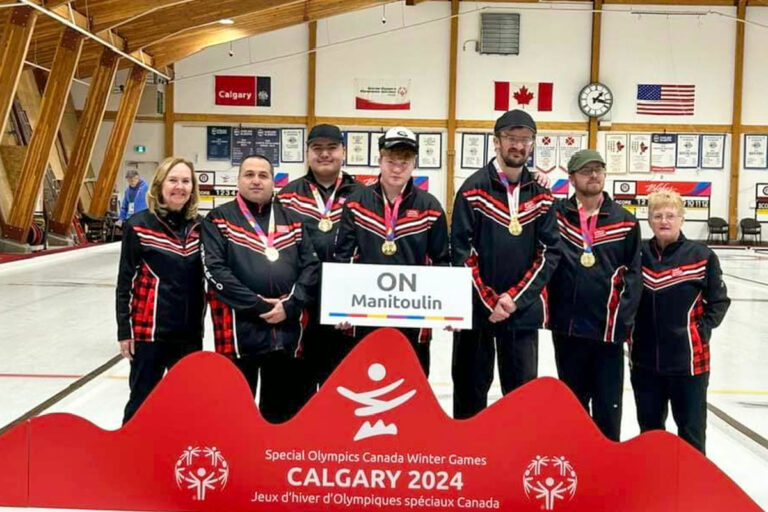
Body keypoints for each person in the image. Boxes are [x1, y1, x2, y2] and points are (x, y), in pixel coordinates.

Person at [450, 110, 562, 419]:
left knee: (522, 396)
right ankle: (469, 460)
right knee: (470, 392)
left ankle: (516, 463)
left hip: (520, 310)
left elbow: (549, 252)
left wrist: (513, 299)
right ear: (496, 142)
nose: (518, 145)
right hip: (476, 310)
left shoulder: (540, 193)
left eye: (525, 139)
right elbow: (461, 252)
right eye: (511, 138)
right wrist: (490, 302)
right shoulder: (473, 190)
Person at [201, 154, 319, 423]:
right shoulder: (218, 220)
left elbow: (311, 268)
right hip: (238, 333)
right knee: (235, 418)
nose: (256, 181)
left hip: (286, 332)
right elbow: (215, 271)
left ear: (273, 181)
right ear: (239, 180)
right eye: (249, 175)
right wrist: (260, 306)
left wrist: (289, 305)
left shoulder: (293, 220)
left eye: (263, 175)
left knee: (281, 415)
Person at [334, 127, 450, 375]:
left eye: (404, 162)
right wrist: (340, 305)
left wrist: (448, 309)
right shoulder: (356, 203)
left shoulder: (430, 207)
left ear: (414, 164)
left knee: (412, 386)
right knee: (362, 384)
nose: (397, 169)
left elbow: (442, 262)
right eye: (391, 161)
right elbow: (342, 258)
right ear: (380, 160)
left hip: (414, 317)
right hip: (364, 315)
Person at [548, 149, 642, 441]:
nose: (593, 175)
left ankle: (608, 466)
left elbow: (634, 276)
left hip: (607, 331)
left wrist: (621, 323)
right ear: (572, 177)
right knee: (572, 405)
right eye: (586, 170)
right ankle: (575, 463)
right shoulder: (556, 217)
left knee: (608, 406)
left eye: (598, 169)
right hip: (568, 329)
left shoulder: (625, 222)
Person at [630, 190, 730, 454]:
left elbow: (719, 302)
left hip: (689, 364)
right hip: (644, 362)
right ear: (649, 220)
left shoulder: (702, 255)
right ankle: (653, 485)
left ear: (682, 219)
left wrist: (700, 331)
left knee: (691, 432)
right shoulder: (637, 254)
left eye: (671, 215)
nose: (664, 221)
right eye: (658, 215)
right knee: (650, 431)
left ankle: (692, 490)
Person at [116, 157, 205, 424]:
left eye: (186, 181)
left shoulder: (201, 227)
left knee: (186, 406)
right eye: (173, 180)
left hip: (189, 334)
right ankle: (128, 458)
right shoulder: (138, 225)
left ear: (193, 188)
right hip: (149, 334)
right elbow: (125, 283)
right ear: (160, 185)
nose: (180, 187)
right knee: (143, 403)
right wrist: (125, 330)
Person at [277, 124, 361, 389]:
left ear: (343, 152)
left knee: (341, 386)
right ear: (307, 153)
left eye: (332, 148)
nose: (325, 154)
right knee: (298, 385)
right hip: (301, 305)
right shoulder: (287, 196)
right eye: (317, 148)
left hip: (346, 307)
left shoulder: (363, 195)